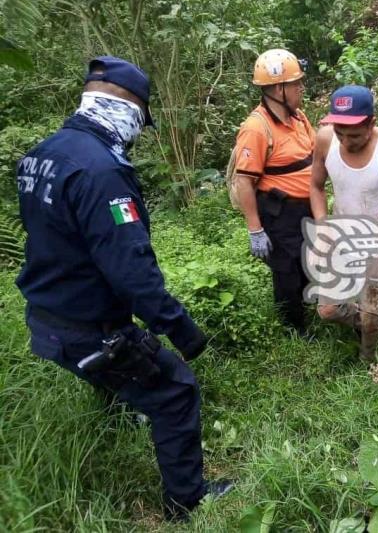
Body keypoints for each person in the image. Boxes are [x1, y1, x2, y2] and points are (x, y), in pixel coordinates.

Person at [15, 56, 232, 520]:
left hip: (46, 316)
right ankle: (187, 503)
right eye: (140, 121)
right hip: (89, 329)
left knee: (120, 382)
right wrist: (182, 330)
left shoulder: (44, 153)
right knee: (175, 392)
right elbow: (131, 269)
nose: (138, 132)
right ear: (129, 109)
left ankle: (122, 416)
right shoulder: (102, 172)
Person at [310, 85, 378, 362]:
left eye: (355, 134)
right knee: (329, 310)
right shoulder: (324, 140)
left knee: (371, 316)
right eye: (340, 132)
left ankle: (369, 359)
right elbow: (316, 186)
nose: (346, 141)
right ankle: (367, 323)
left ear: (372, 123)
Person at [230, 48, 316, 335]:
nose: (301, 88)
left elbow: (315, 154)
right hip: (279, 213)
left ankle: (307, 315)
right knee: (287, 273)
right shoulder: (257, 127)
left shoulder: (299, 117)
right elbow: (244, 181)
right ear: (278, 89)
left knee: (307, 264)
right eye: (295, 84)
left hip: (307, 208)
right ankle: (293, 331)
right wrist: (255, 230)